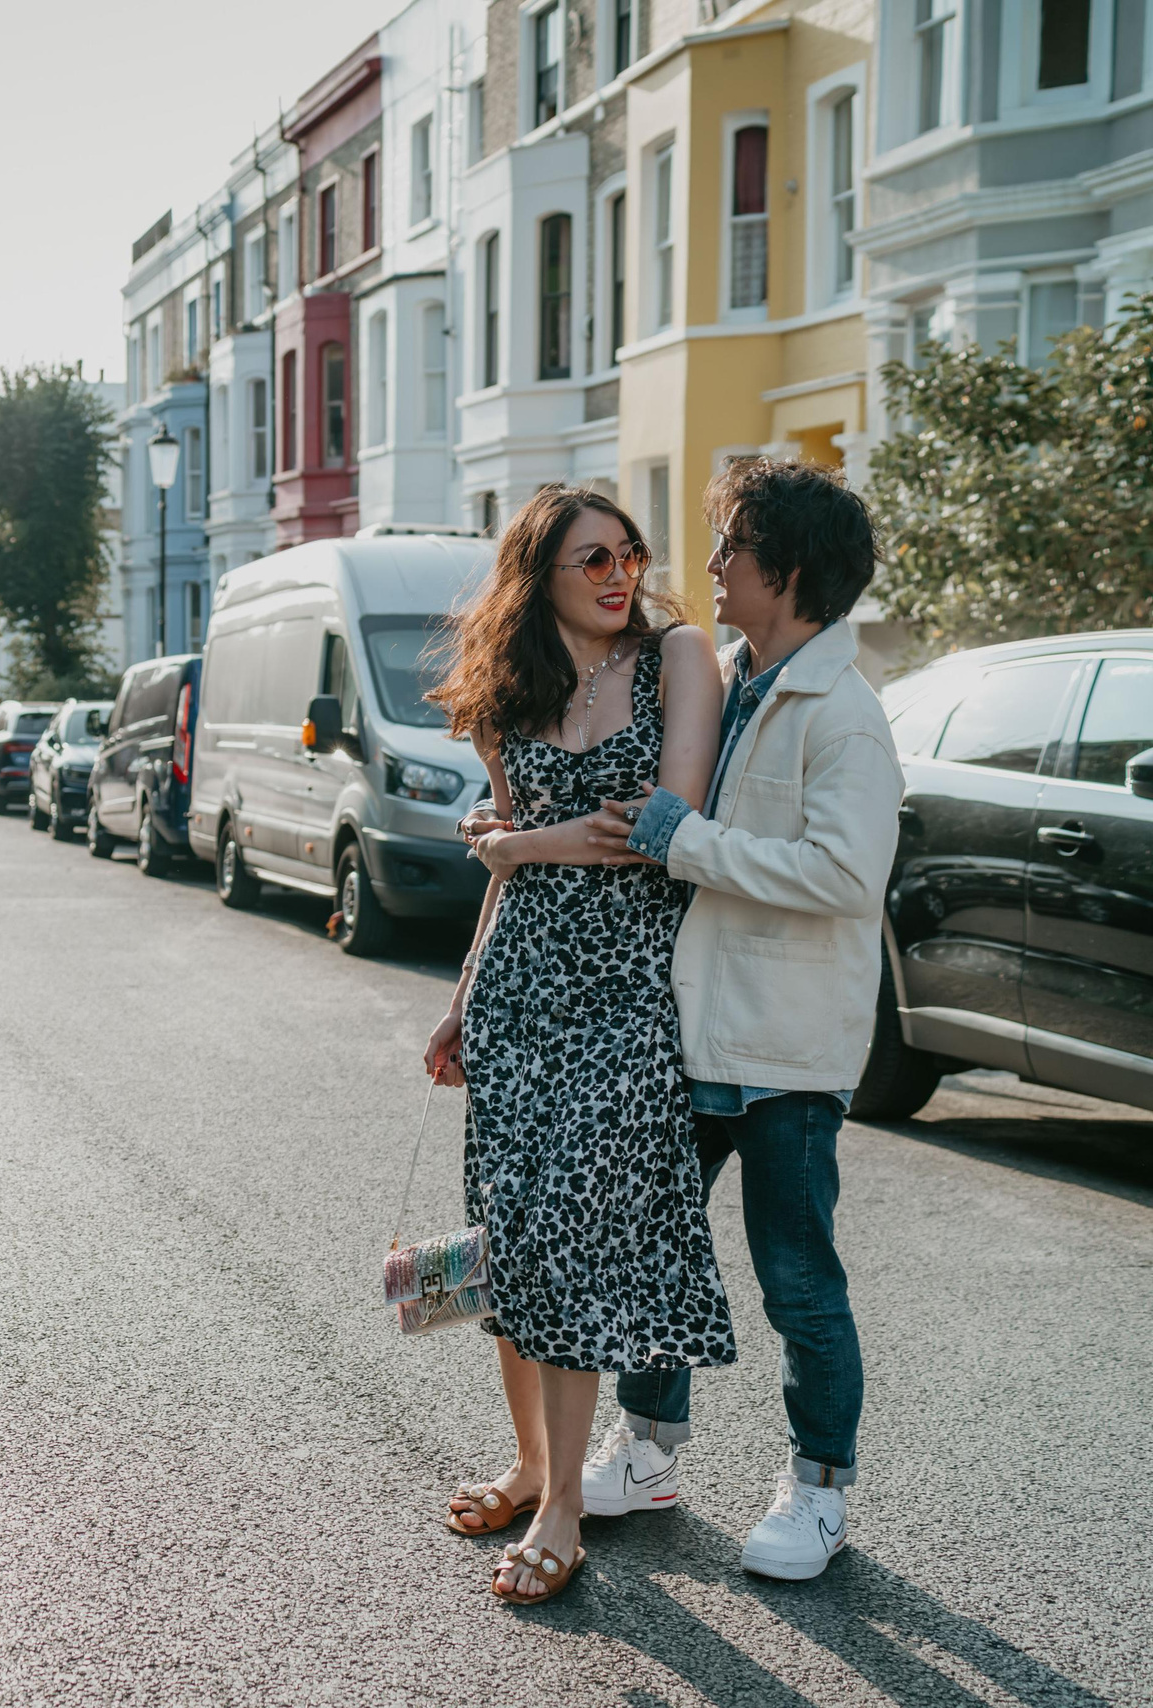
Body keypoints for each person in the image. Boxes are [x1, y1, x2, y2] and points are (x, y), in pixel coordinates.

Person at [552, 459, 901, 1582]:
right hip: (690, 1028)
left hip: (786, 1049)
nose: (709, 564)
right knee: (656, 1251)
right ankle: (649, 1450)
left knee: (796, 1277)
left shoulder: (844, 714)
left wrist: (679, 838)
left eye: (731, 546)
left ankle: (817, 1492)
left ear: (786, 570)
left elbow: (845, 875)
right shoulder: (729, 673)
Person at [421, 485, 734, 1606]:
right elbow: (507, 880)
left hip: (619, 996)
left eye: (628, 553)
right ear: (538, 576)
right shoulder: (508, 696)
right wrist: (461, 995)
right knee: (509, 1233)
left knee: (568, 1235)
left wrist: (519, 842)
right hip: (516, 993)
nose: (618, 574)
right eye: (590, 558)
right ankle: (531, 1466)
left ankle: (565, 1510)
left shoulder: (677, 657)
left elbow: (662, 827)